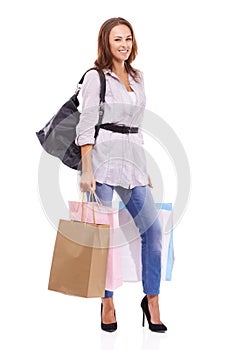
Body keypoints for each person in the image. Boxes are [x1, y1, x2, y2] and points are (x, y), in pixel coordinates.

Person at [76, 17, 167, 333]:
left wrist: (142, 167)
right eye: (117, 39)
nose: (124, 44)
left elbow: (136, 127)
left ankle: (151, 299)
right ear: (106, 43)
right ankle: (107, 301)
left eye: (128, 38)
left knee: (153, 231)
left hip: (132, 165)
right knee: (102, 239)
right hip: (102, 164)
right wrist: (86, 171)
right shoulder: (95, 78)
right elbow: (86, 126)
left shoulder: (138, 78)